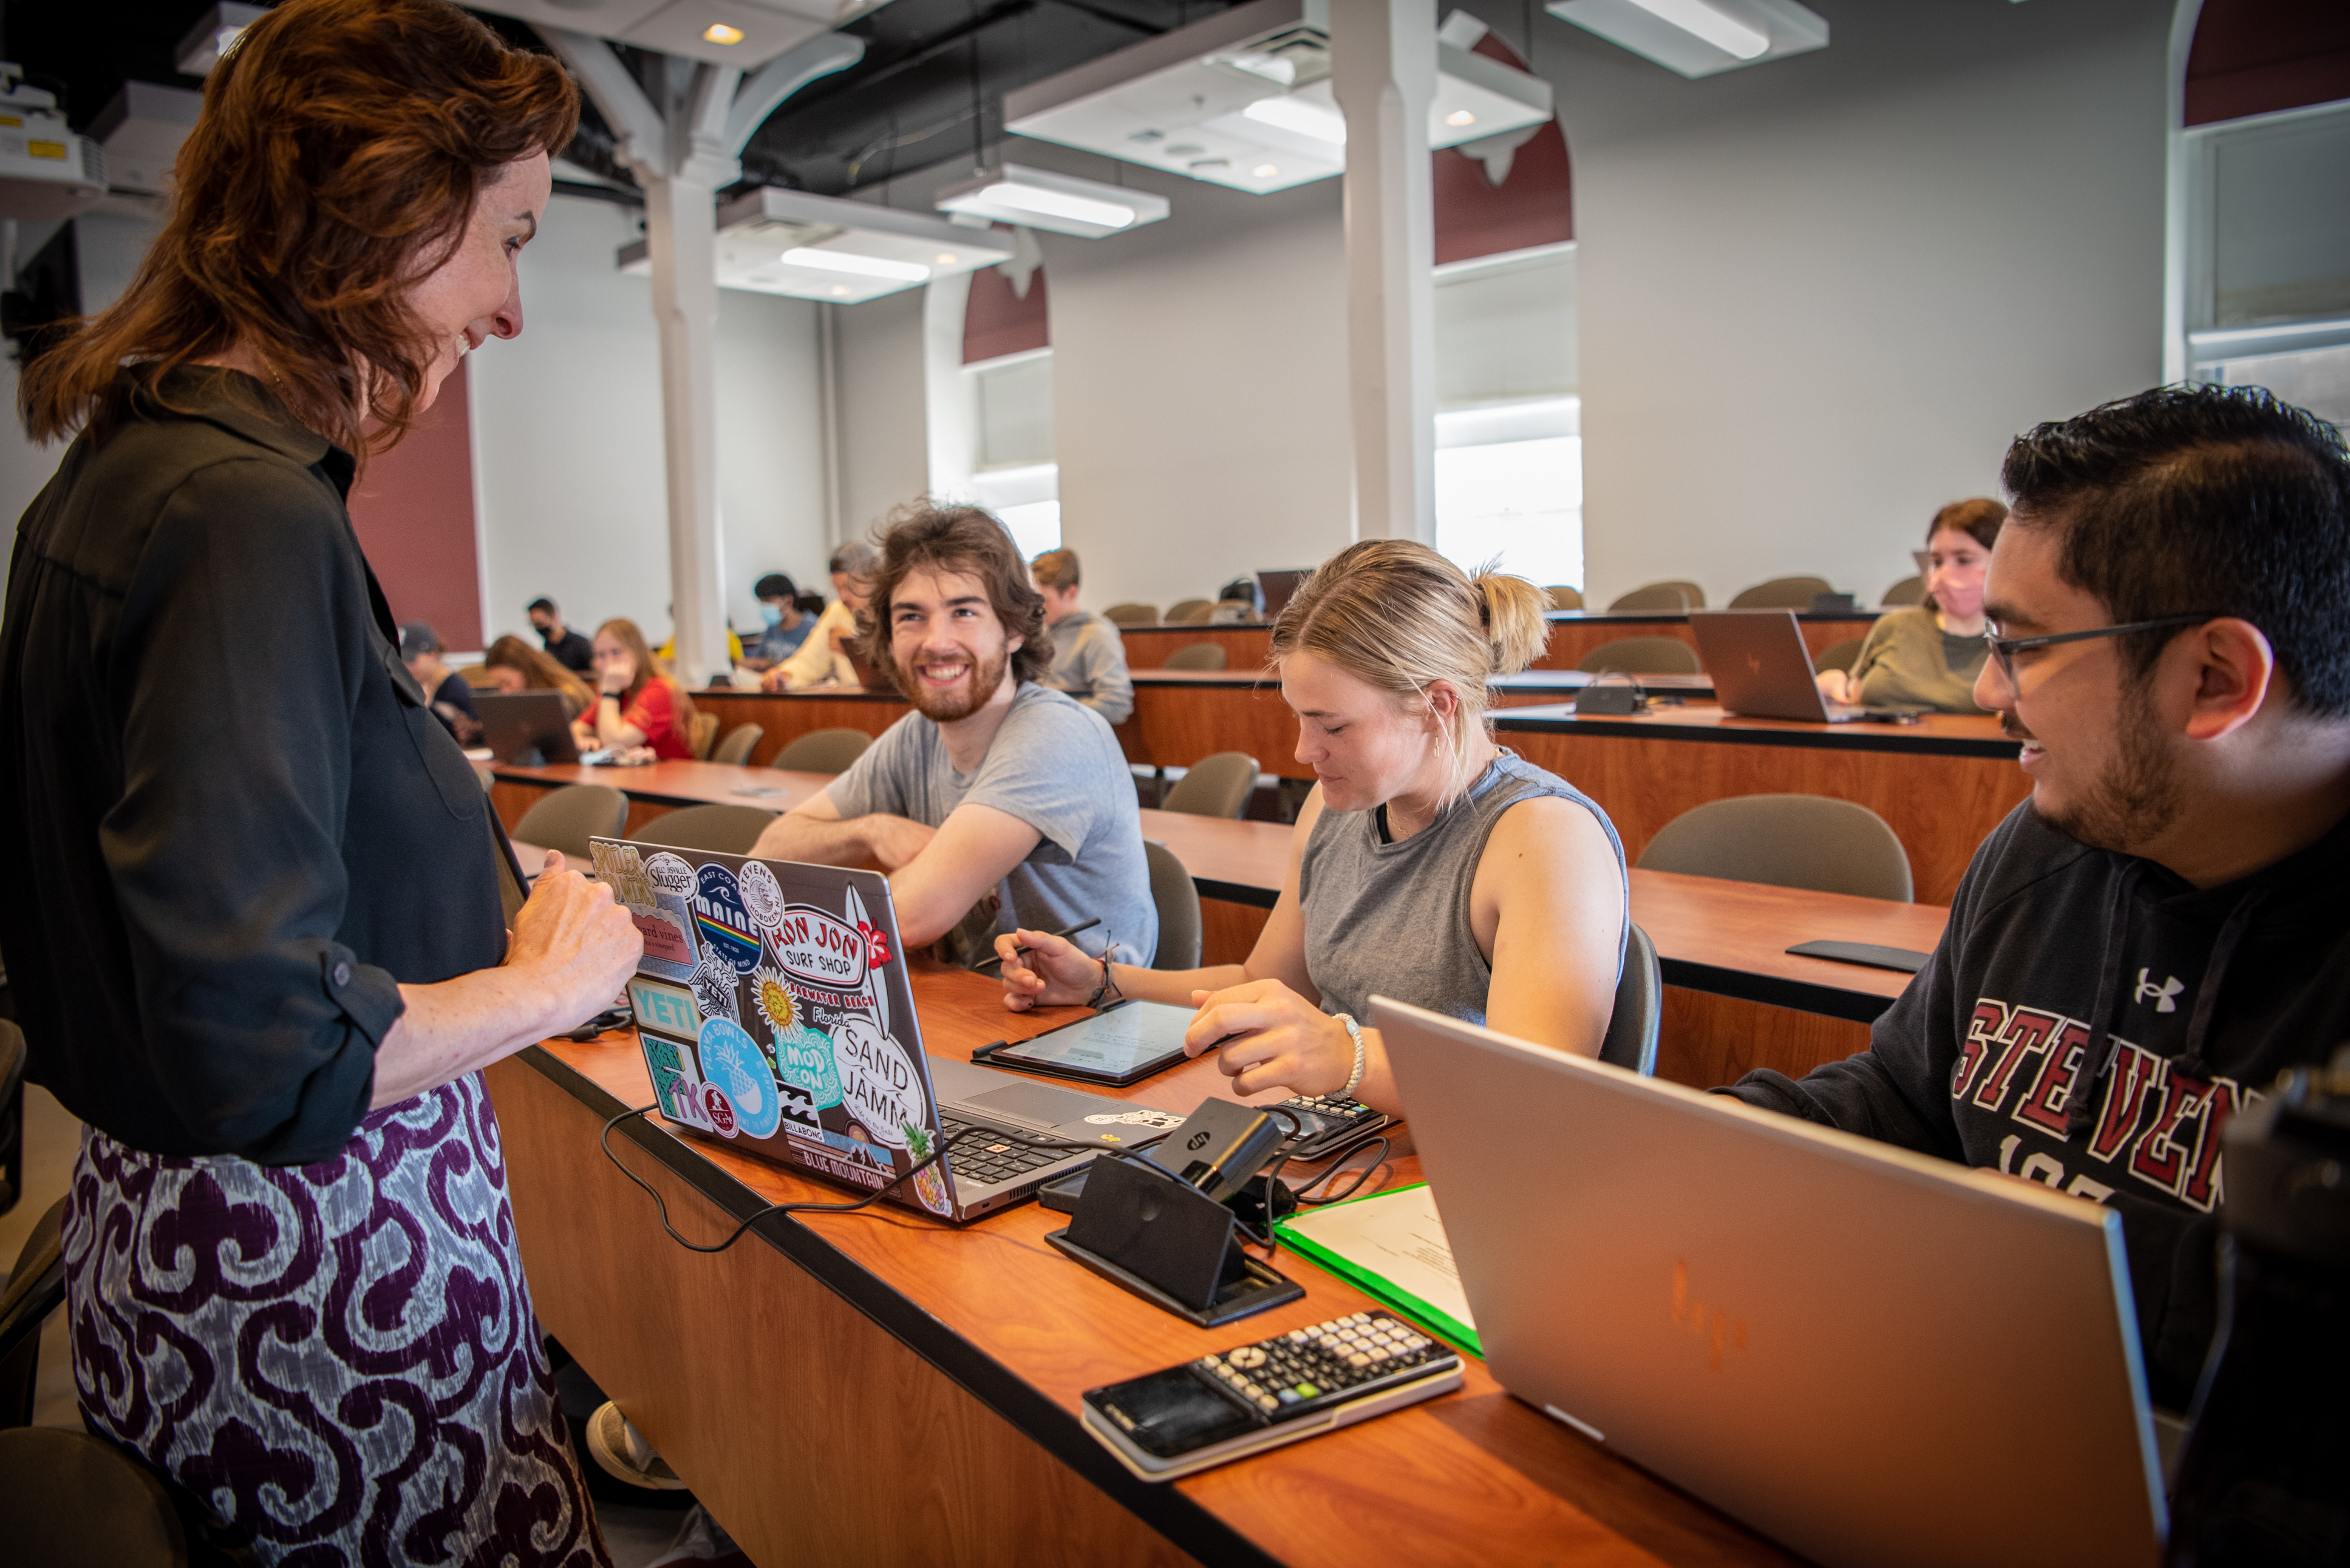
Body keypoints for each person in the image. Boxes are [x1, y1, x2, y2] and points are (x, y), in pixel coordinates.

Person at [0, 3, 636, 1561]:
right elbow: (264, 1052)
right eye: (504, 236)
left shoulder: (132, 470)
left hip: (183, 1247)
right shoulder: (242, 518)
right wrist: (543, 983)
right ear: (380, 204)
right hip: (322, 1273)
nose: (507, 305)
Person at [1724, 384, 2350, 1411]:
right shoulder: (2052, 840)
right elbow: (1901, 1099)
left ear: (2215, 677)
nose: (1986, 691)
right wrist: (1686, 1143)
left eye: (2022, 645)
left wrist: (1958, 1251)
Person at [998, 540, 1627, 1115]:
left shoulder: (1544, 839)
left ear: (1437, 707)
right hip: (1341, 1149)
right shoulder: (1334, 808)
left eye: (1333, 726)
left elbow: (1540, 1090)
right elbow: (1259, 984)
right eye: (1300, 718)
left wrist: (1348, 1056)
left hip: (1459, 1179)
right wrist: (1104, 982)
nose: (1303, 751)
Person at [747, 506, 1155, 963]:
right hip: (984, 1007)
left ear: (1014, 628)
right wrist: (870, 831)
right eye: (911, 616)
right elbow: (768, 852)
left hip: (1091, 1021)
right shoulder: (917, 737)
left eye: (963, 612)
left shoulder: (1056, 734)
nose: (936, 641)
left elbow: (909, 917)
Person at [1817, 498, 2004, 712]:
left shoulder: (2012, 642)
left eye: (1963, 560)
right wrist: (1835, 684)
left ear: (2003, 561)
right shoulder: (1895, 625)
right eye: (1937, 562)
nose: (1943, 574)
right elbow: (1852, 695)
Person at [1030, 546, 1134, 724]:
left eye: (1046, 600)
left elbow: (1117, 705)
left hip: (1069, 733)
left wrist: (1057, 710)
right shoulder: (1041, 631)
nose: (1038, 609)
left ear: (1071, 593)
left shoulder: (1097, 635)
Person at [575, 616, 696, 760]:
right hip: (631, 777)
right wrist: (582, 740)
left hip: (670, 778)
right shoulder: (619, 690)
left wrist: (610, 692)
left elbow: (615, 744)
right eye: (601, 655)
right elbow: (576, 729)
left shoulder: (659, 691)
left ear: (637, 653)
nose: (609, 663)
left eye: (616, 652)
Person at [765, 540, 880, 690]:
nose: (842, 596)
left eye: (849, 587)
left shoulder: (893, 612)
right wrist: (785, 675)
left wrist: (854, 651)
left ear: (872, 579)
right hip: (851, 704)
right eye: (837, 588)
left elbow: (895, 676)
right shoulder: (837, 611)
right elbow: (810, 661)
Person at [400, 619, 481, 742]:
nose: (407, 666)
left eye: (412, 660)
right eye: (401, 661)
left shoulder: (454, 689)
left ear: (433, 654)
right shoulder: (410, 685)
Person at [483, 631, 598, 718]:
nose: (504, 692)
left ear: (525, 669)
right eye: (499, 686)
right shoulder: (530, 697)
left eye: (507, 683)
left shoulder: (564, 697)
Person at [741, 571, 815, 670]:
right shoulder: (773, 627)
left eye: (768, 601)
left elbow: (811, 667)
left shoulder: (812, 628)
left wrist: (772, 664)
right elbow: (758, 660)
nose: (765, 606)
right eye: (762, 602)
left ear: (788, 600)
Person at [528, 594, 594, 673]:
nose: (538, 628)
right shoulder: (547, 648)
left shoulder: (580, 644)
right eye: (534, 624)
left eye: (540, 623)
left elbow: (595, 674)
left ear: (554, 616)